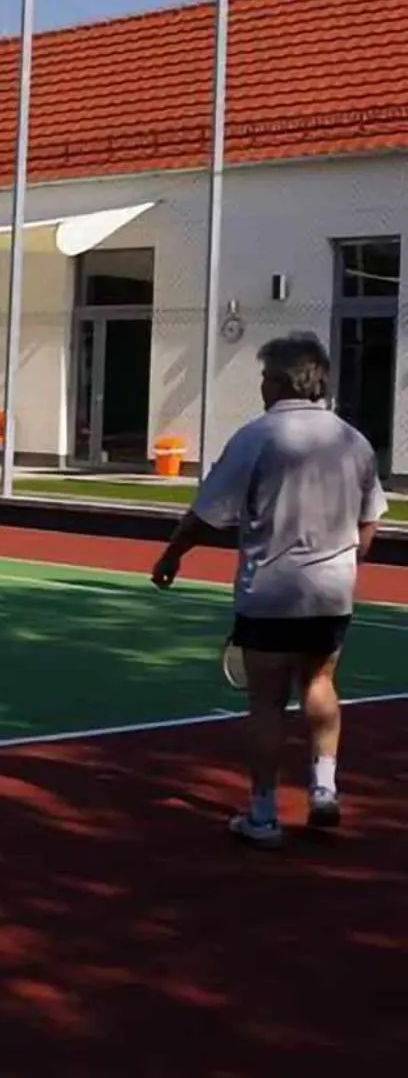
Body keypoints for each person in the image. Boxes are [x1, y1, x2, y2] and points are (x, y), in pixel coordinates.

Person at [151, 332, 387, 847]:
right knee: (320, 683)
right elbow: (371, 521)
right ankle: (323, 788)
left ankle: (263, 814)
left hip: (271, 593)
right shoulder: (353, 439)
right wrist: (346, 562)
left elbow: (205, 513)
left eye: (263, 376)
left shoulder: (257, 437)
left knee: (266, 701)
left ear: (280, 380)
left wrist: (172, 555)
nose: (260, 384)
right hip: (330, 594)